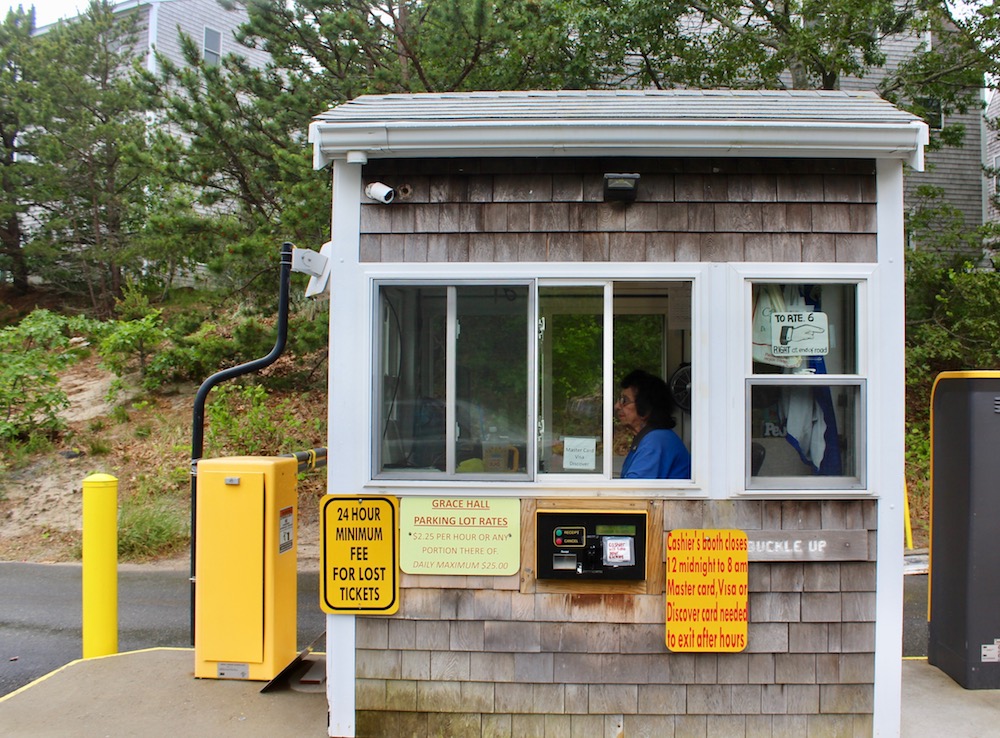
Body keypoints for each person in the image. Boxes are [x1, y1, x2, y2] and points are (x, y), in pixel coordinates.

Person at [615, 369, 691, 479]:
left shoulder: (656, 440)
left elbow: (634, 492)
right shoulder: (651, 437)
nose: (617, 406)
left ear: (645, 407)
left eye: (624, 401)